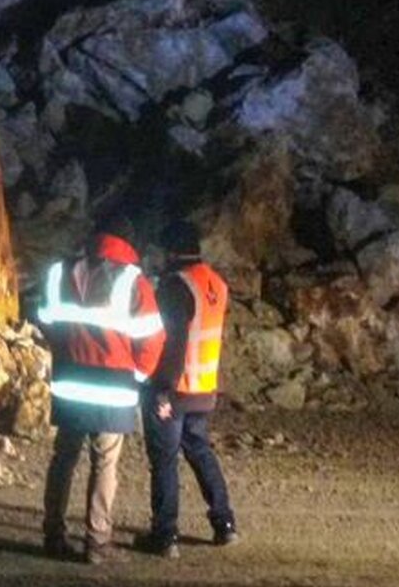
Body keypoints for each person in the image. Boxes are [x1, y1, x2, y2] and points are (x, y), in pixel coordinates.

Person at [37, 223, 165, 564]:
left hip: (70, 382)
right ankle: (97, 542)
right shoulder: (132, 281)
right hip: (113, 387)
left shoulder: (59, 273)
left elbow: (46, 319)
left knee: (63, 459)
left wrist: (66, 353)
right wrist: (137, 374)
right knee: (105, 463)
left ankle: (53, 535)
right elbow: (153, 338)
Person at [137, 221, 239, 559]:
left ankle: (165, 535)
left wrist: (162, 390)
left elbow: (174, 343)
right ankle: (224, 524)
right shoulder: (215, 282)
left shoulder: (175, 286)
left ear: (171, 251)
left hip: (175, 390)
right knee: (199, 451)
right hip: (203, 388)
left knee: (165, 460)